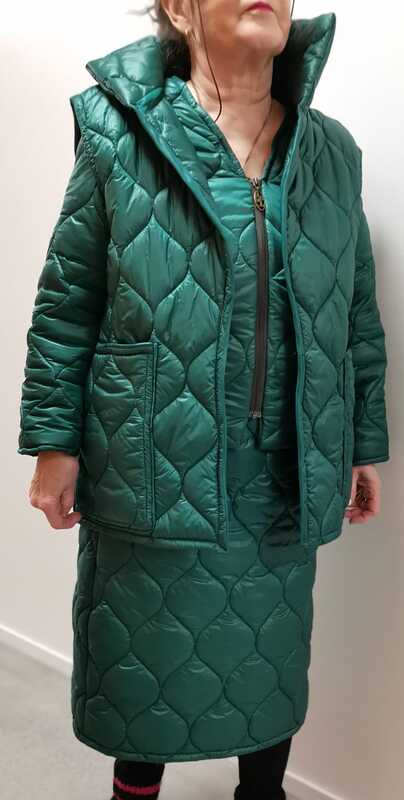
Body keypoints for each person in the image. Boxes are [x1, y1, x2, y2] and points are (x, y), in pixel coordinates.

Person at [17, 2, 389, 799]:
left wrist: (362, 443)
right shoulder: (118, 133)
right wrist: (54, 441)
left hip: (284, 469)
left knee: (267, 665)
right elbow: (69, 300)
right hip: (152, 457)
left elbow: (355, 310)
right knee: (144, 675)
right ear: (180, 11)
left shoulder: (331, 152)